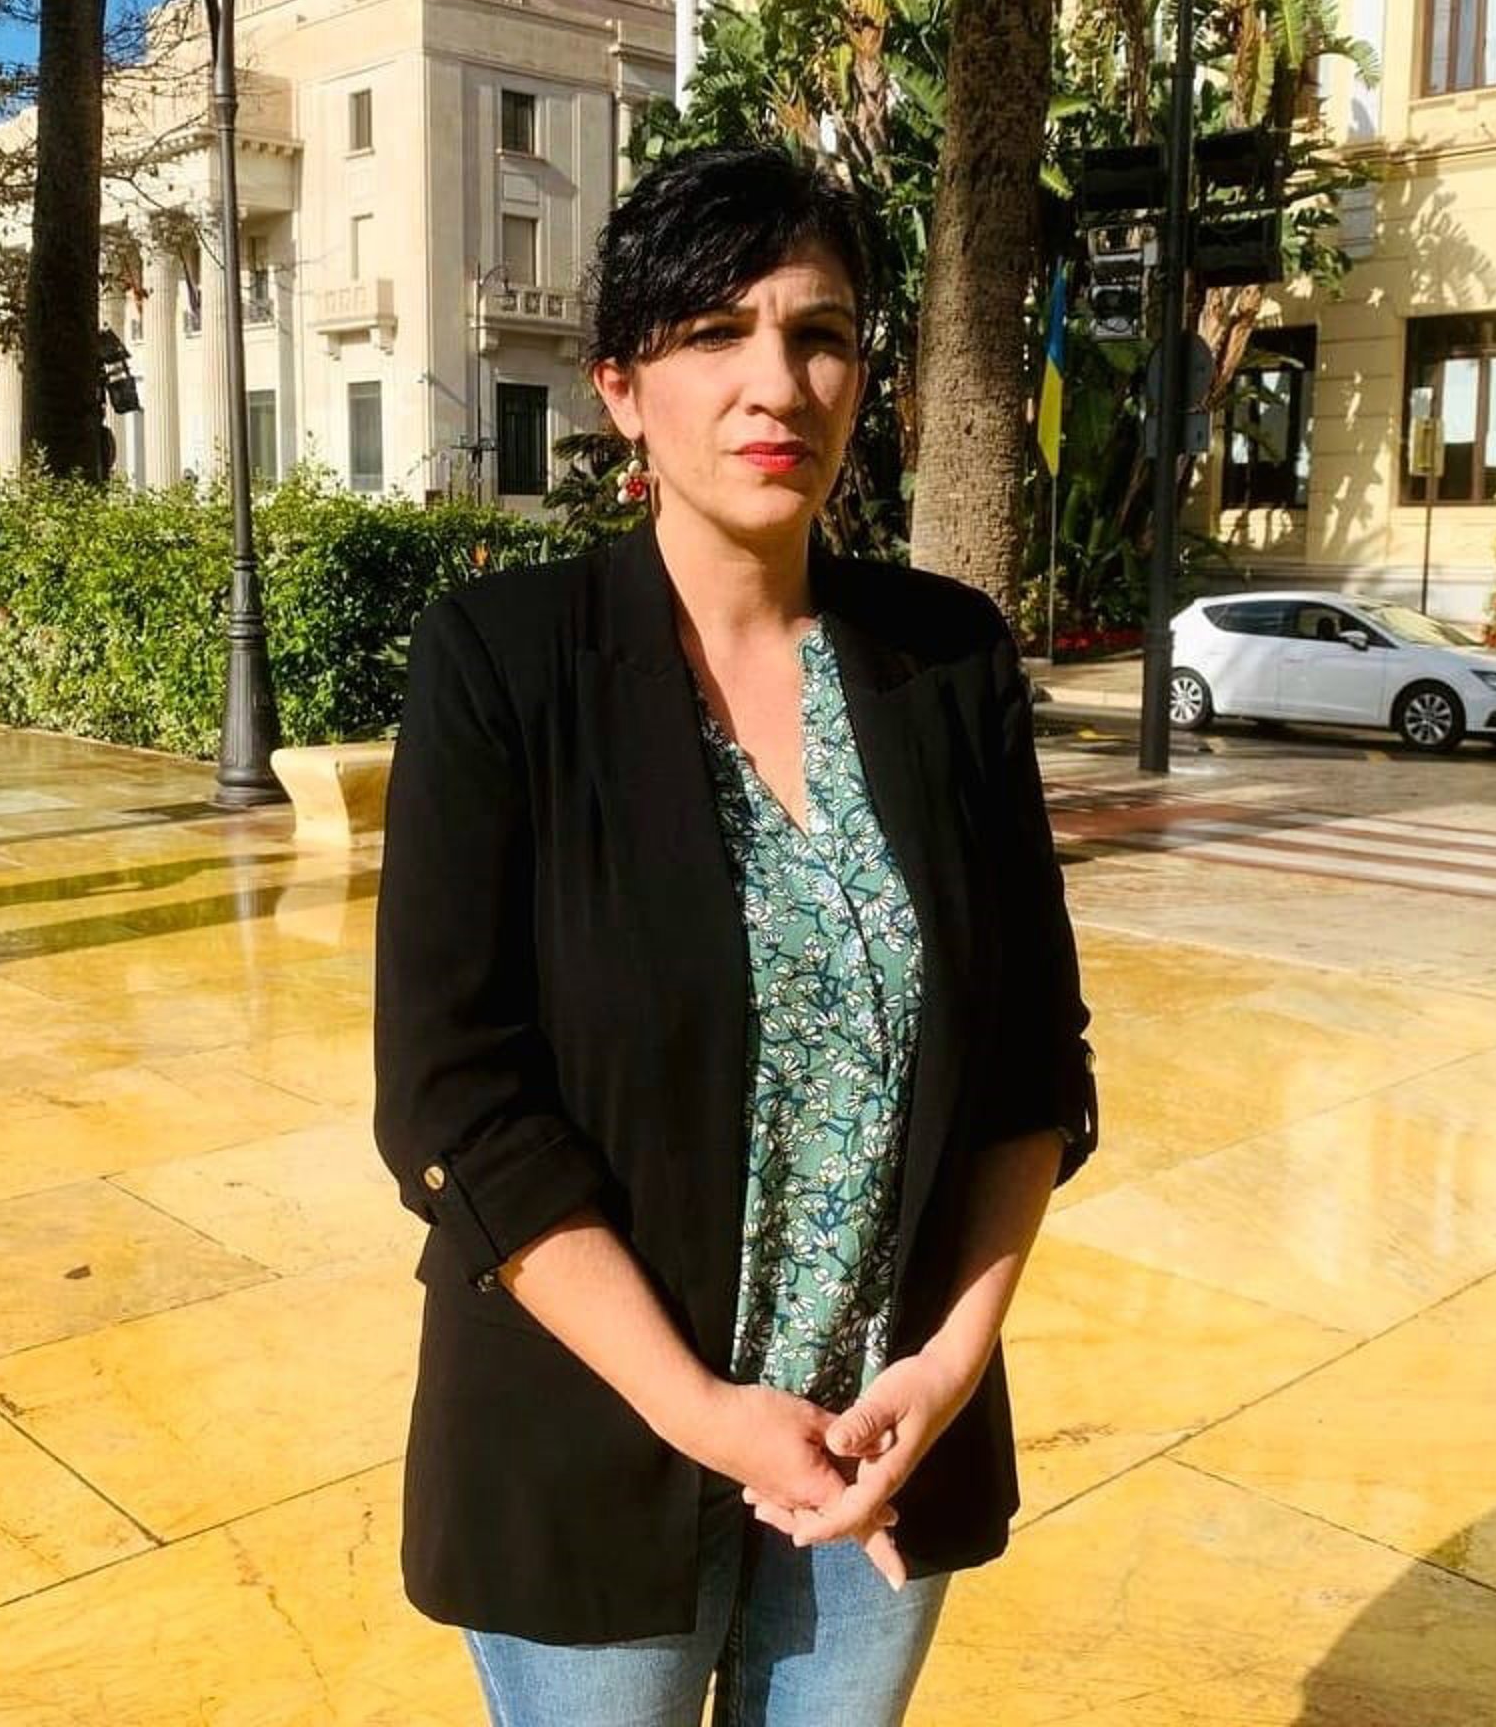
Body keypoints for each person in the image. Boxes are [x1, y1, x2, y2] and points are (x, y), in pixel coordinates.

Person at [372, 147, 1097, 1727]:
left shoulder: (945, 660)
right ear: (622, 387)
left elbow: (1032, 1060)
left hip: (878, 1451)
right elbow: (454, 1099)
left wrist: (946, 1367)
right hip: (594, 1442)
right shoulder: (504, 662)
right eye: (716, 332)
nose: (778, 382)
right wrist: (702, 1410)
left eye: (819, 334)